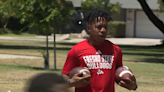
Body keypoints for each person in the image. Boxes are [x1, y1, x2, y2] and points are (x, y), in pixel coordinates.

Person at [62, 8, 137, 92]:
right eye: (99, 27)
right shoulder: (76, 50)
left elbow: (119, 75)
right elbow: (64, 78)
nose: (103, 30)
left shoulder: (115, 50)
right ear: (89, 28)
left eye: (105, 27)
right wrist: (70, 82)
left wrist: (132, 85)